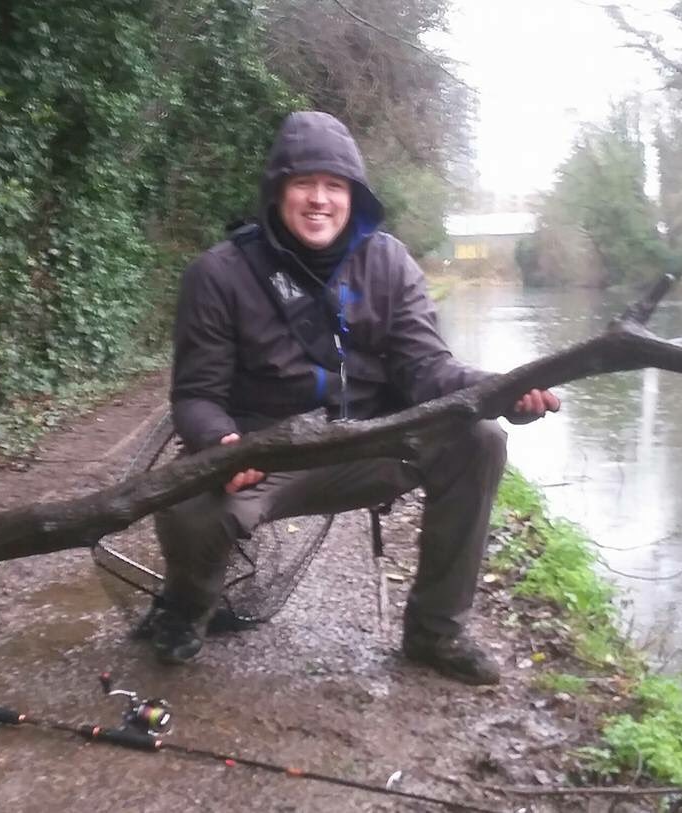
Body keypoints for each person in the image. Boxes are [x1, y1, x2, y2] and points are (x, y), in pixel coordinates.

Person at [152, 111, 560, 685]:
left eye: (334, 186)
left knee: (480, 439)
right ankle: (187, 609)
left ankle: (434, 631)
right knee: (186, 511)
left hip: (373, 443)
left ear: (353, 198)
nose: (319, 200)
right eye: (304, 184)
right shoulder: (216, 275)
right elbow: (196, 395)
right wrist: (220, 444)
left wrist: (500, 391)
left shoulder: (390, 261)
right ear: (278, 193)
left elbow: (428, 370)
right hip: (266, 454)